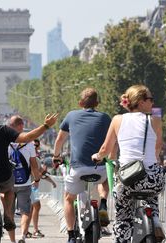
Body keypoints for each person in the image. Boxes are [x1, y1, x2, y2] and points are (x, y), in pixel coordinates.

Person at [0, 104, 58, 243]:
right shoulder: (4, 130)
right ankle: (8, 214)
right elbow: (27, 137)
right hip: (3, 177)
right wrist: (45, 126)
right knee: (9, 190)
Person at [91, 84, 165, 243]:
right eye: (150, 99)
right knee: (151, 195)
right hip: (152, 178)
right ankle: (155, 219)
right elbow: (158, 147)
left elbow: (106, 148)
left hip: (128, 179)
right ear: (141, 102)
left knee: (123, 215)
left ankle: (122, 238)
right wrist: (152, 161)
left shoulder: (118, 119)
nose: (153, 103)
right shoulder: (155, 120)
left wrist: (97, 156)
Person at [53, 87, 111, 243]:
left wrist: (56, 156)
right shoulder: (105, 118)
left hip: (78, 168)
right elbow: (111, 142)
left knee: (68, 199)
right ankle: (103, 204)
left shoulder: (71, 116)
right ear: (97, 103)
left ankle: (71, 235)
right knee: (104, 181)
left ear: (80, 103)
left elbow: (59, 141)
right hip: (99, 167)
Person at [7, 116, 42, 243]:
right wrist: (37, 179)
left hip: (8, 184)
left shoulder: (5, 142)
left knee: (9, 213)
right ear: (21, 126)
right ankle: (22, 235)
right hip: (25, 183)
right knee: (26, 212)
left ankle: (12, 240)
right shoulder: (29, 143)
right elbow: (34, 165)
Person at [26, 139, 56, 239]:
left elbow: (42, 172)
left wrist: (52, 182)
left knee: (32, 208)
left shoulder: (36, 159)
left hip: (32, 187)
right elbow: (37, 172)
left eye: (36, 145)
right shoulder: (28, 157)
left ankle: (28, 230)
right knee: (35, 206)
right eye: (32, 145)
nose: (35, 147)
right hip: (29, 186)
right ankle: (33, 230)